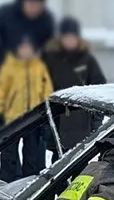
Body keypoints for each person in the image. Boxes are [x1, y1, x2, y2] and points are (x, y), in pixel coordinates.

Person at [42, 16, 107, 152]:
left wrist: (96, 122)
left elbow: (100, 88)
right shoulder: (51, 59)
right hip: (57, 120)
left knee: (80, 161)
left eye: (72, 37)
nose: (69, 41)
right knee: (59, 161)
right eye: (66, 37)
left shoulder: (86, 59)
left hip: (82, 123)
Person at [0, 38, 54, 182]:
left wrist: (45, 118)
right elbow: (0, 93)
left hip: (33, 118)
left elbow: (47, 93)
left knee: (32, 155)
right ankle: (7, 183)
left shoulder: (39, 68)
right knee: (8, 155)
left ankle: (29, 184)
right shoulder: (9, 67)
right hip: (11, 117)